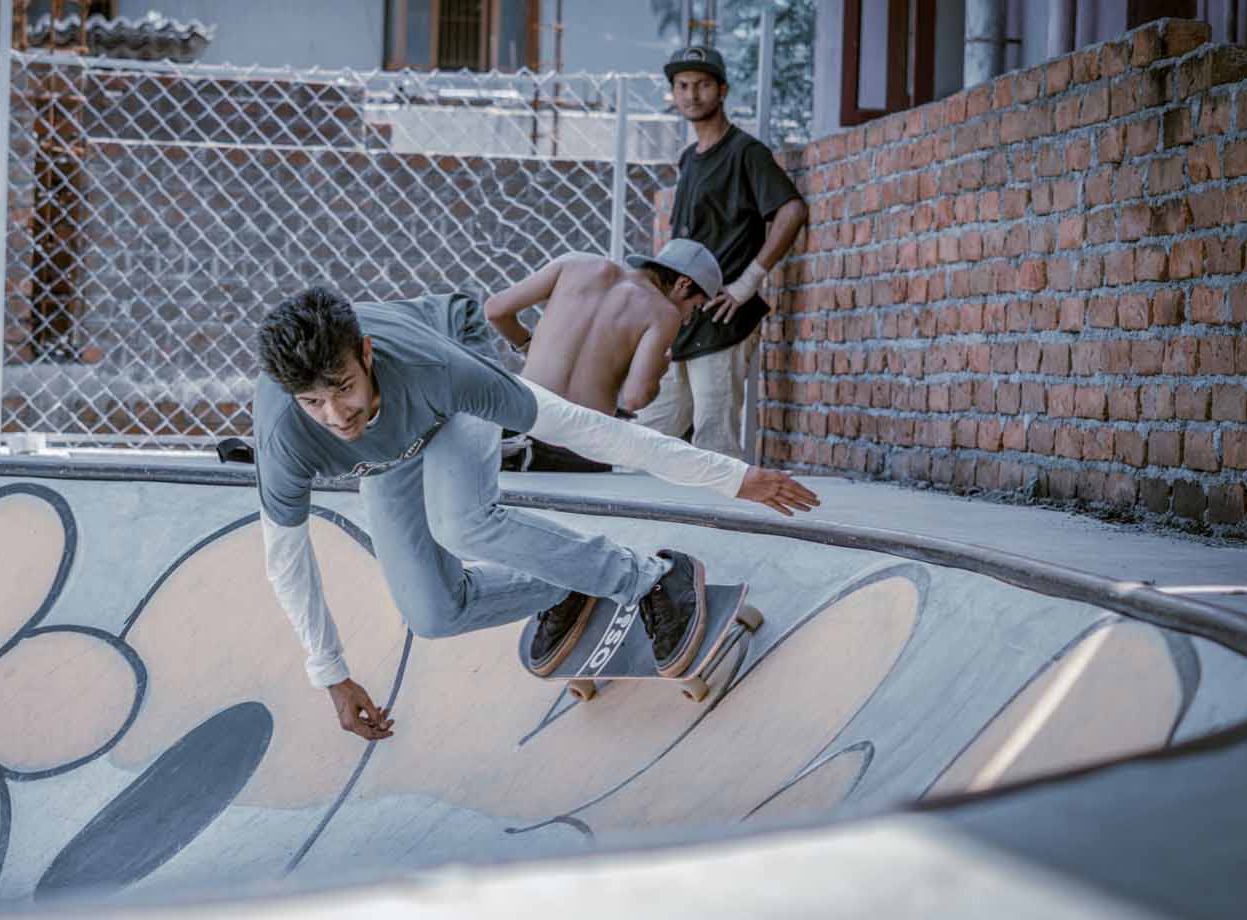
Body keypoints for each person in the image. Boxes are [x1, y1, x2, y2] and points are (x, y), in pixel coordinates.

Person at [253, 286, 821, 741]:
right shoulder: (285, 434)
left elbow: (591, 431)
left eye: (344, 389)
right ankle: (567, 584)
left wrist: (730, 476)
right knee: (433, 614)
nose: (335, 416)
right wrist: (330, 673)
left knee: (460, 522)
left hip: (444, 387)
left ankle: (649, 577)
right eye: (313, 402)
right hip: (389, 454)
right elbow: (287, 563)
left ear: (368, 355)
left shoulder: (443, 370)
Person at [639, 45, 810, 458]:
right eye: (682, 86)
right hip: (686, 320)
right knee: (646, 440)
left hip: (723, 316)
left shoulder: (744, 152)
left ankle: (724, 521)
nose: (692, 95)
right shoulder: (689, 159)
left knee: (715, 442)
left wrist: (747, 282)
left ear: (722, 90)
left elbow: (792, 210)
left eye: (702, 85)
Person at [483, 239, 721, 473]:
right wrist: (658, 370)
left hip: (518, 423)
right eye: (695, 307)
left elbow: (495, 310)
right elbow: (635, 399)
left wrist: (528, 345)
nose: (689, 319)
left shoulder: (573, 263)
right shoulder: (664, 313)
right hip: (578, 447)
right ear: (683, 283)